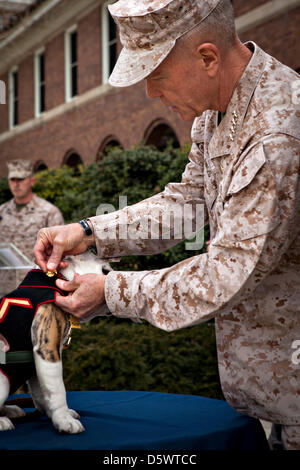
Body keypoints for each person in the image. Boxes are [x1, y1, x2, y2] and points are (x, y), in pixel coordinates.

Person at [34, 0, 300, 450]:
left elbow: (224, 275)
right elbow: (189, 204)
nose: (151, 94)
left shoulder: (277, 134)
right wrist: (89, 231)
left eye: (156, 76)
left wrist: (110, 291)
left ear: (208, 58)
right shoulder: (217, 111)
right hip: (271, 400)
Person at [0, 159, 64, 263]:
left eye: (21, 179)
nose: (16, 184)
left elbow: (59, 252)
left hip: (34, 277)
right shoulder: (1, 212)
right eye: (12, 180)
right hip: (5, 278)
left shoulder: (49, 212)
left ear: (32, 181)